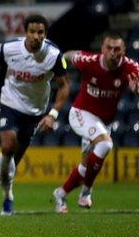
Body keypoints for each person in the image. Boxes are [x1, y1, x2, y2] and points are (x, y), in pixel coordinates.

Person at [0, 14, 70, 215]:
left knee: (11, 162)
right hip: (10, 104)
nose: (36, 36)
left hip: (35, 112)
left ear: (45, 34)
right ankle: (8, 199)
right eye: (32, 31)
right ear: (25, 32)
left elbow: (64, 86)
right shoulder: (8, 48)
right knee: (7, 146)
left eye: (40, 32)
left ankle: (0, 179)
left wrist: (53, 114)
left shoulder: (54, 55)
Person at [52, 32, 139, 213]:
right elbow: (67, 55)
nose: (113, 53)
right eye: (109, 48)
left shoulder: (131, 68)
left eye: (117, 49)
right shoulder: (89, 61)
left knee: (86, 168)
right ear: (102, 49)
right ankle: (86, 192)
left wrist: (137, 91)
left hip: (102, 123)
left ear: (124, 50)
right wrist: (58, 69)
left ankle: (60, 194)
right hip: (81, 114)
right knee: (106, 144)